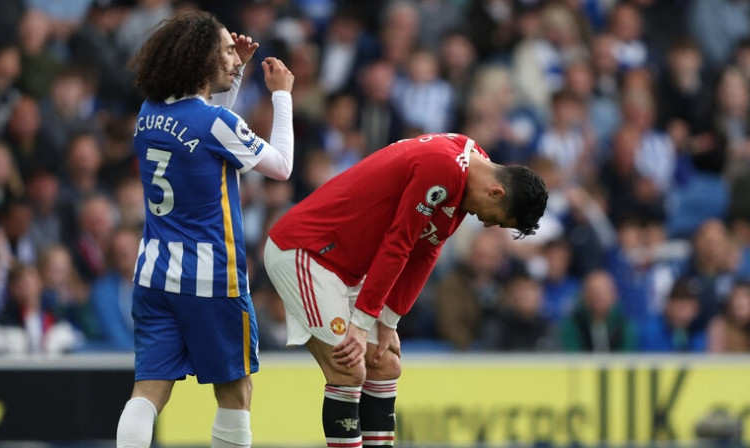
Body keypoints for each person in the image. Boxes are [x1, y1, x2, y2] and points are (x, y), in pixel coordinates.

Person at [264, 132, 547, 447]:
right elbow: (398, 243)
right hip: (306, 252)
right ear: (496, 192)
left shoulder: (469, 163)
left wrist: (388, 321)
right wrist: (361, 324)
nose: (487, 224)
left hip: (345, 267)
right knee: (348, 367)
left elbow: (428, 247)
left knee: (384, 365)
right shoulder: (444, 167)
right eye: (498, 220)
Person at [115, 11, 294, 448]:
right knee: (235, 391)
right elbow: (282, 166)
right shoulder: (217, 124)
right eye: (228, 51)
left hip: (154, 275)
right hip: (213, 278)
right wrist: (282, 96)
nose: (237, 56)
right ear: (201, 61)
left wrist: (237, 74)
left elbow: (205, 135)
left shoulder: (149, 113)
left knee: (149, 390)